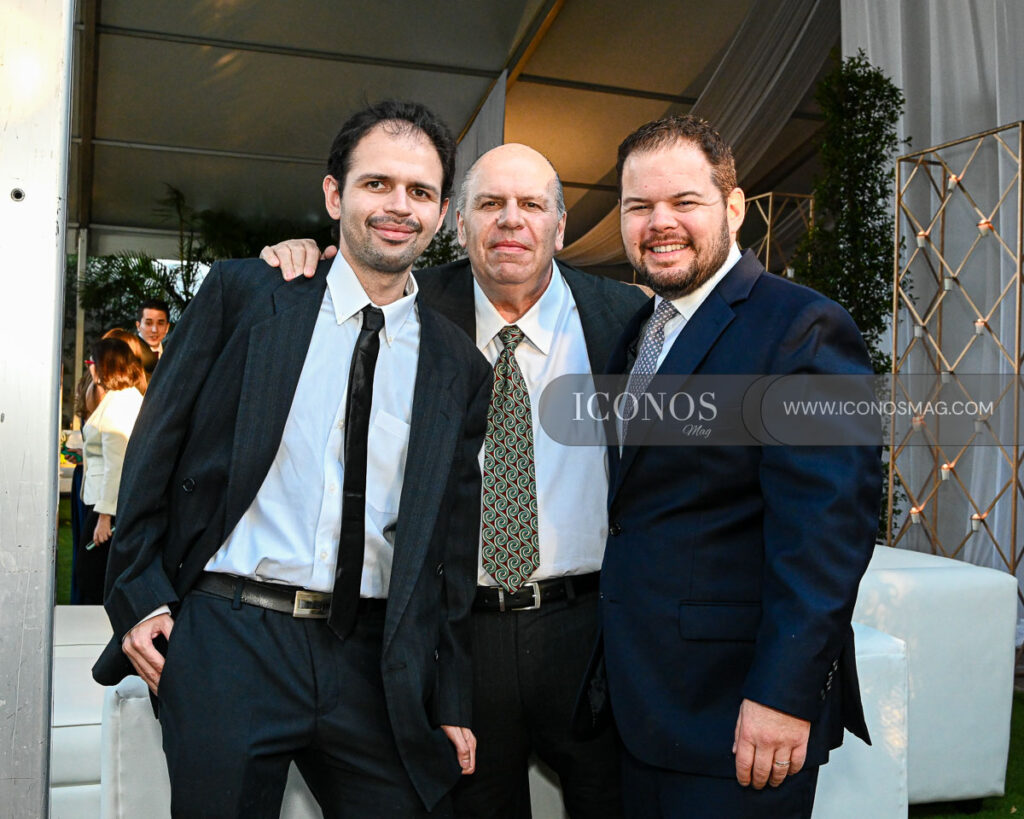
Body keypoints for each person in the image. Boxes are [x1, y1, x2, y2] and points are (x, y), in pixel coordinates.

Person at [92, 100, 492, 818]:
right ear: (335, 195)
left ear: (440, 215)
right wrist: (139, 593)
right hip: (231, 636)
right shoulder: (247, 297)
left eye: (420, 191)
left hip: (372, 655)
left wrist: (451, 695)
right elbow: (154, 452)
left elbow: (451, 548)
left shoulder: (457, 365)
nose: (398, 206)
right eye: (376, 184)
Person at [262, 143, 647, 818]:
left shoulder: (624, 318)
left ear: (560, 226)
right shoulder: (409, 305)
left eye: (531, 205)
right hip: (460, 639)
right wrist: (295, 258)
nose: (510, 220)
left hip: (591, 636)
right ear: (458, 224)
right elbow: (335, 290)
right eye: (490, 204)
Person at [577, 114, 881, 818]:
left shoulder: (801, 328)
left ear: (733, 207)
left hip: (739, 714)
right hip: (644, 704)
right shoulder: (640, 331)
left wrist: (783, 694)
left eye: (684, 201)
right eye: (639, 206)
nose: (660, 223)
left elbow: (827, 536)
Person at [77, 337, 146, 604]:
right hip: (105, 504)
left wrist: (104, 517)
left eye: (93, 361)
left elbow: (116, 465)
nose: (90, 367)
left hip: (108, 508)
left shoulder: (120, 404)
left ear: (106, 365)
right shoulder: (119, 398)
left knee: (92, 576)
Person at [135, 297, 170, 374]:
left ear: (167, 327)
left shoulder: (172, 354)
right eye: (148, 323)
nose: (154, 330)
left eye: (160, 323)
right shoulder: (129, 352)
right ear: (138, 326)